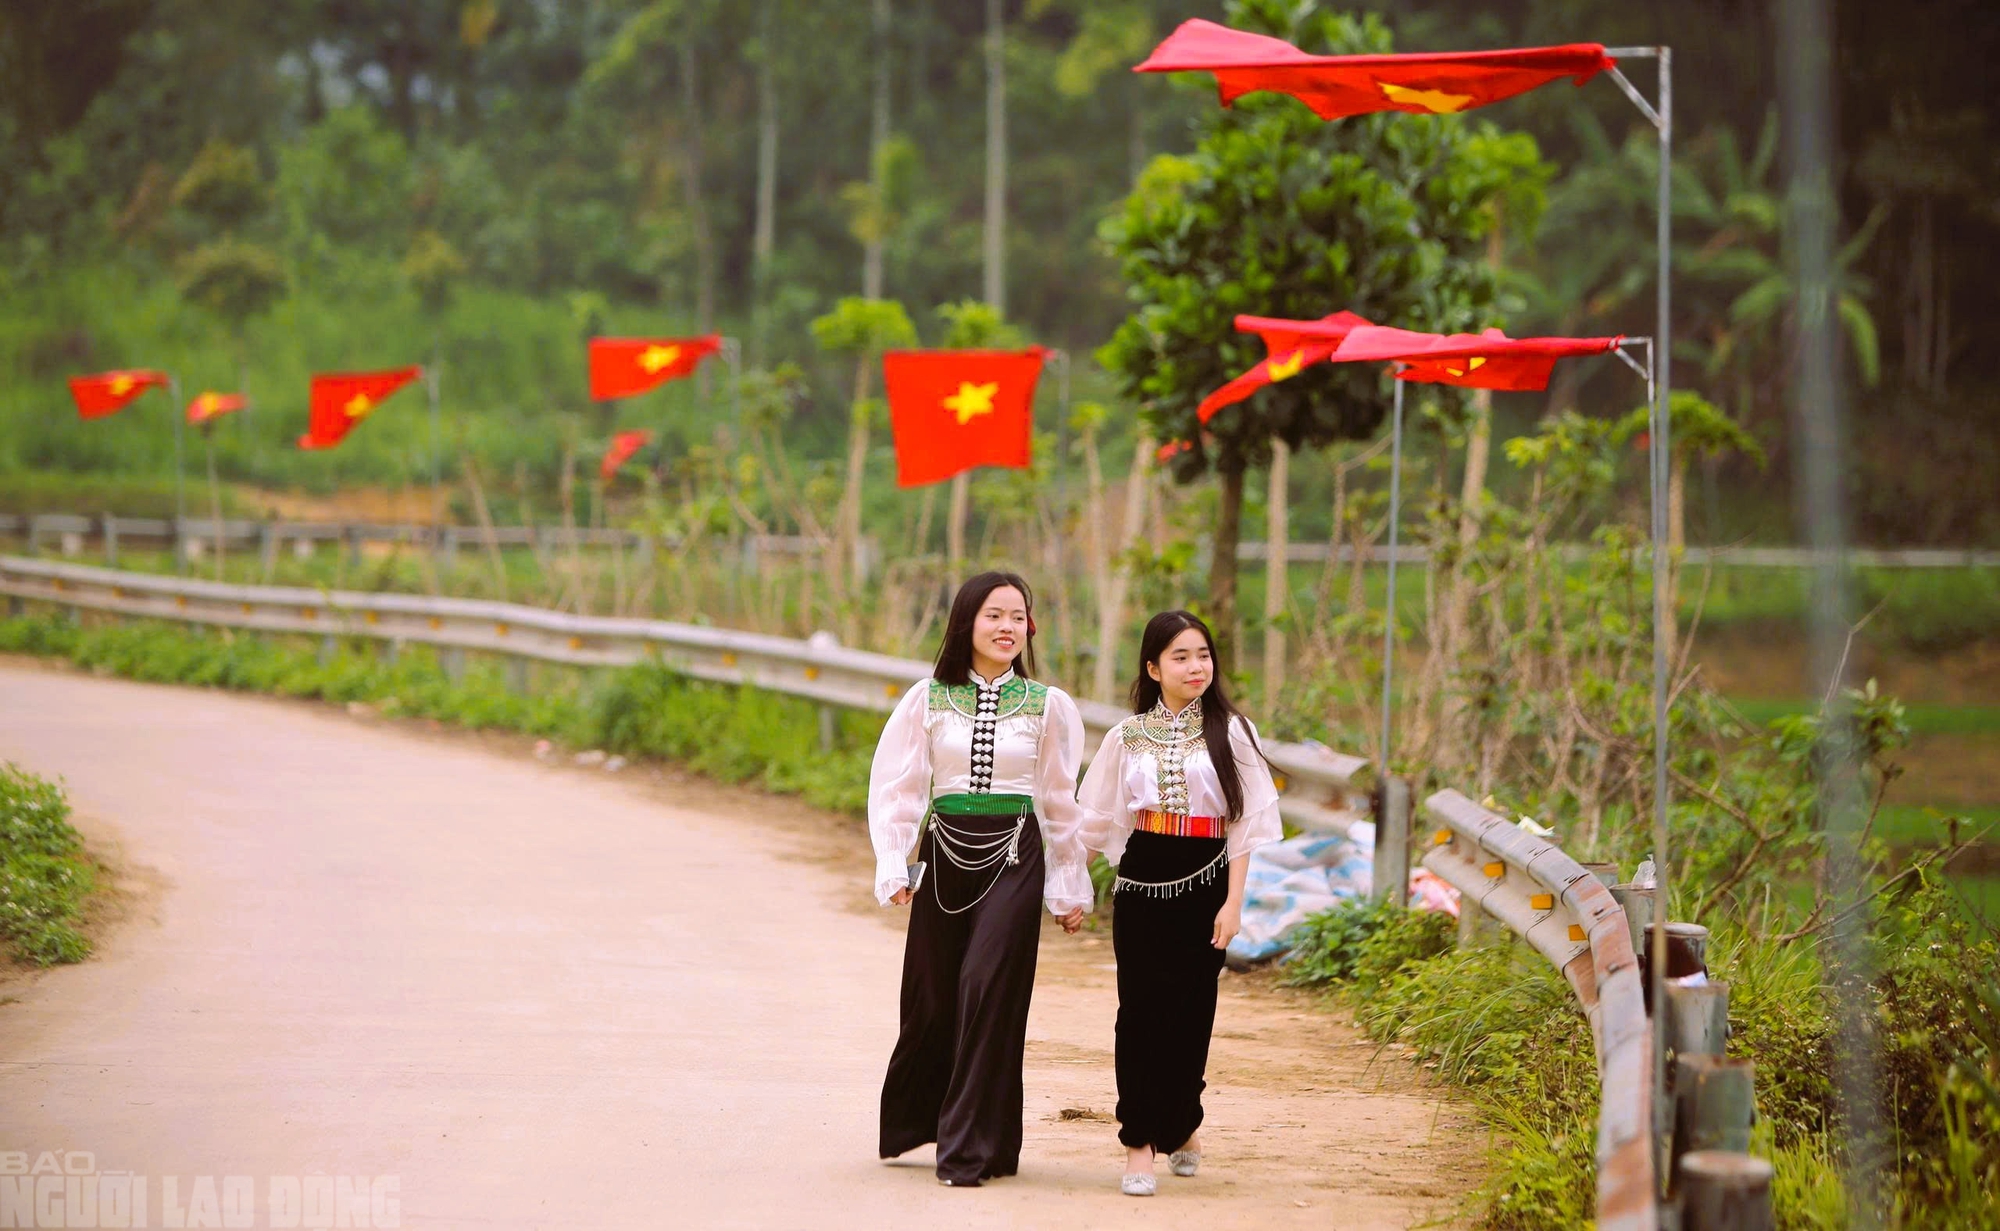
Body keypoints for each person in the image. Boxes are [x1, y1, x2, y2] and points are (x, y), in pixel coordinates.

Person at [869, 571, 1092, 1187]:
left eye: (1018, 616)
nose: (1007, 628)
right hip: (944, 857)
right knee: (936, 996)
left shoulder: (1049, 705)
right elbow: (900, 787)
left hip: (1016, 856)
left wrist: (1069, 885)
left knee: (986, 988)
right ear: (966, 623)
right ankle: (950, 1130)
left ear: (1031, 627)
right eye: (994, 615)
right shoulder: (927, 699)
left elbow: (1058, 799)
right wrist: (895, 861)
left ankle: (968, 1150)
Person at [1077, 610, 1282, 1196]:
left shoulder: (1233, 732)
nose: (1196, 667)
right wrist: (1061, 875)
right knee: (1138, 1012)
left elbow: (1244, 825)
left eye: (1203, 655)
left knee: (1192, 1014)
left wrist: (1234, 903)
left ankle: (1183, 1123)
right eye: (1181, 656)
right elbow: (1097, 817)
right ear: (1152, 667)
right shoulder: (1127, 735)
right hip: (1143, 881)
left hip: (1208, 880)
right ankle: (1139, 1142)